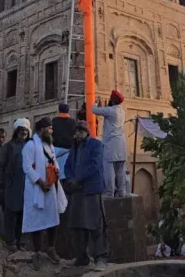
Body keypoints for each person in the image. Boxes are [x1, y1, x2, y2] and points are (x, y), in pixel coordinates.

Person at [22, 117, 67, 270]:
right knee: (37, 221)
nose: (51, 131)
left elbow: (53, 161)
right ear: (42, 130)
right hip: (37, 189)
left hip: (50, 187)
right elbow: (27, 167)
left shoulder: (49, 145)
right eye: (49, 128)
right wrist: (41, 182)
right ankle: (37, 253)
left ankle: (51, 248)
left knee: (52, 218)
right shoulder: (30, 145)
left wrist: (56, 172)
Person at [64, 120, 109, 269]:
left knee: (95, 225)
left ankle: (100, 258)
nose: (78, 134)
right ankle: (82, 257)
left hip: (91, 190)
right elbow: (67, 165)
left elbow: (95, 165)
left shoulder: (96, 145)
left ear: (87, 132)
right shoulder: (74, 147)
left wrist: (78, 178)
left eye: (81, 131)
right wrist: (71, 179)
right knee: (78, 225)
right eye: (76, 131)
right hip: (77, 191)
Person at [0, 119, 30, 250]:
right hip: (11, 185)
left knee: (23, 215)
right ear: (16, 131)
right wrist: (1, 183)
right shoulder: (8, 147)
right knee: (10, 214)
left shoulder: (29, 146)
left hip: (26, 185)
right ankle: (10, 241)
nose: (23, 133)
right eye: (21, 130)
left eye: (25, 130)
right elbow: (0, 167)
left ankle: (20, 241)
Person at [92, 89, 128, 198]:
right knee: (120, 169)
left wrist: (95, 102)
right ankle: (122, 192)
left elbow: (94, 110)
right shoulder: (122, 111)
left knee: (109, 169)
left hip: (111, 144)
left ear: (112, 100)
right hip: (121, 143)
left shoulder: (110, 110)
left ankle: (110, 192)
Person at [51, 103, 76, 181]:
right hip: (68, 151)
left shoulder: (54, 121)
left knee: (56, 175)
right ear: (68, 111)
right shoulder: (73, 122)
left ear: (59, 110)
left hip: (56, 151)